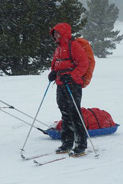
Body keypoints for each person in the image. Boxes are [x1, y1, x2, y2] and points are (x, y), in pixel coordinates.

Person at [48, 23, 89, 156]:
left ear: (64, 33)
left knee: (75, 112)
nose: (55, 35)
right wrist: (53, 72)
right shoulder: (58, 48)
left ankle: (81, 145)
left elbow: (84, 64)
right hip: (60, 83)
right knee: (64, 112)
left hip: (72, 84)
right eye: (54, 33)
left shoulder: (74, 46)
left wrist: (72, 76)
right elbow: (56, 63)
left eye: (57, 33)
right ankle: (67, 143)